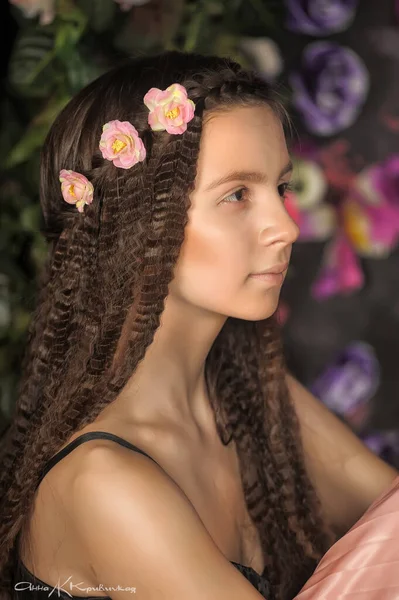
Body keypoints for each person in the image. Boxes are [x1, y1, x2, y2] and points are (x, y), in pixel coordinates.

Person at [0, 51, 396, 600]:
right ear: (136, 225)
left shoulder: (248, 396)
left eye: (281, 188)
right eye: (237, 195)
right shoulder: (102, 483)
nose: (285, 225)